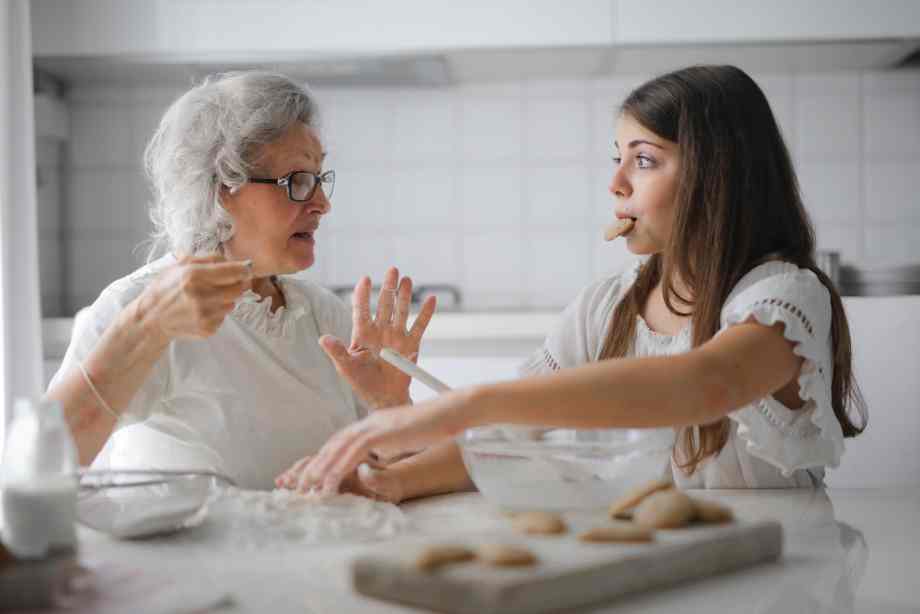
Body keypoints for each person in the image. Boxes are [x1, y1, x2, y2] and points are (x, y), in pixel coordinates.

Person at [280, 65, 868, 497]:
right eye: (616, 157)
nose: (615, 182)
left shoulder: (784, 298)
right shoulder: (605, 307)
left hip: (781, 578)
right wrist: (390, 477)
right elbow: (516, 436)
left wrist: (469, 402)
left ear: (718, 177)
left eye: (643, 159)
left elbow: (706, 382)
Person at [45, 71, 435, 489]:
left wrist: (391, 406)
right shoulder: (138, 305)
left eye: (319, 179)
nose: (323, 203)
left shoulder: (323, 315)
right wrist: (145, 328)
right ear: (218, 187)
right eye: (298, 181)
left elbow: (390, 478)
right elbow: (42, 463)